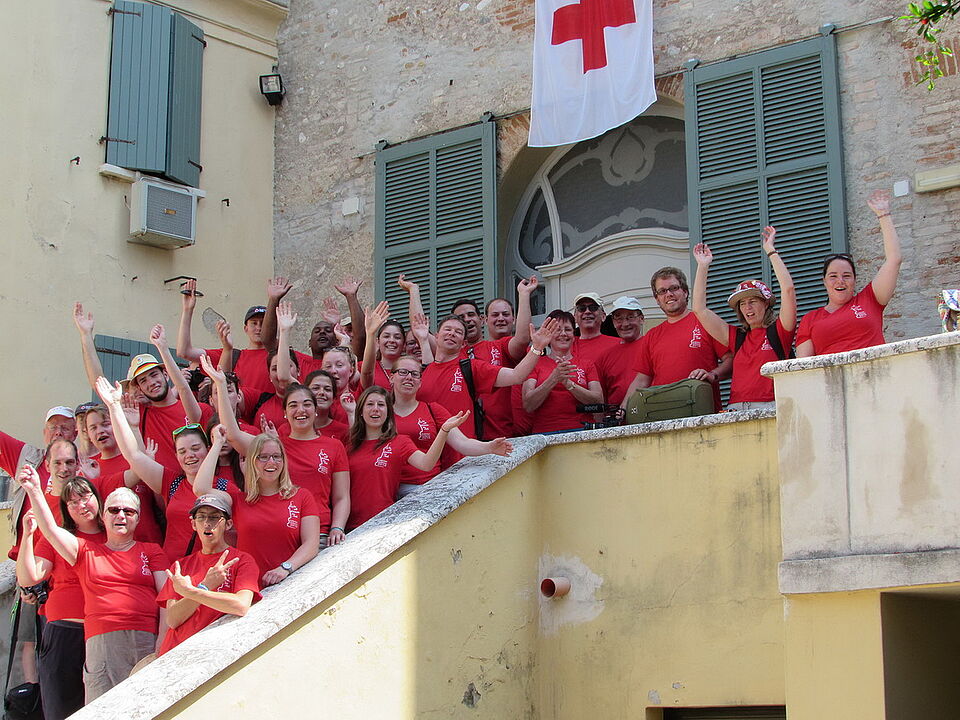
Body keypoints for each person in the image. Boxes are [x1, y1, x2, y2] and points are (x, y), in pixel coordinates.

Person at [18, 469, 168, 702]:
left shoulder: (151, 551)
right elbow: (50, 529)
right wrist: (35, 490)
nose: (121, 515)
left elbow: (167, 597)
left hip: (144, 639)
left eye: (129, 511)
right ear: (104, 516)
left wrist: (162, 641)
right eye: (114, 510)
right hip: (100, 641)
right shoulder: (85, 550)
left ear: (138, 518)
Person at [205, 354, 350, 549]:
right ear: (285, 413)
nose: (301, 410)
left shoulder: (334, 446)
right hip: (277, 532)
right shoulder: (273, 447)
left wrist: (337, 528)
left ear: (315, 410)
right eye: (293, 405)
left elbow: (341, 497)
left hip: (319, 535)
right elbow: (232, 434)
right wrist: (221, 385)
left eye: (307, 404)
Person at [94, 376, 230, 560]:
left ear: (208, 449)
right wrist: (114, 407)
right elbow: (134, 455)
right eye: (182, 451)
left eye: (195, 448)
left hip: (209, 569)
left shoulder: (225, 488)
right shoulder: (172, 483)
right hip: (172, 570)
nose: (189, 455)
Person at [16, 478, 105, 720]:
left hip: (103, 633)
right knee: (61, 708)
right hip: (64, 631)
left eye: (85, 497)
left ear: (97, 498)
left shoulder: (113, 535)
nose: (81, 505)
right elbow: (29, 577)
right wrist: (27, 536)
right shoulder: (56, 538)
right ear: (66, 509)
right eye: (72, 502)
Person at [75, 309, 207, 470]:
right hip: (158, 483)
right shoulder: (139, 412)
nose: (151, 382)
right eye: (143, 380)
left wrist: (163, 347)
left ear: (166, 374)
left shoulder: (198, 409)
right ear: (139, 387)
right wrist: (86, 336)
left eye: (154, 374)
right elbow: (99, 384)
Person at [195, 431, 322, 585]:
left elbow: (311, 544)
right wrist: (217, 444)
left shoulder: (301, 496)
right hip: (249, 587)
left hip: (290, 582)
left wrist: (285, 568)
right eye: (263, 457)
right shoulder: (238, 500)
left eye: (276, 456)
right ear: (252, 461)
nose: (271, 462)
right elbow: (200, 489)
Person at [692, 227, 797, 410]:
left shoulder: (780, 331)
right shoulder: (738, 337)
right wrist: (703, 266)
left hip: (770, 407)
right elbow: (699, 310)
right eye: (742, 303)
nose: (747, 307)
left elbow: (788, 290)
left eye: (752, 301)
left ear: (766, 303)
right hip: (735, 409)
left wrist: (770, 251)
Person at [796, 190, 902, 357]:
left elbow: (894, 259)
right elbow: (803, 365)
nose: (840, 281)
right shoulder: (810, 319)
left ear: (854, 280)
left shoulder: (870, 300)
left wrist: (884, 215)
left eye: (846, 276)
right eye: (833, 276)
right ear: (824, 281)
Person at [346, 386, 469, 530]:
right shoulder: (348, 446)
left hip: (382, 523)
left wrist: (444, 430)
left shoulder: (400, 442)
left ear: (388, 412)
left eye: (381, 405)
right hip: (349, 527)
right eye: (370, 404)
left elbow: (426, 463)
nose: (376, 409)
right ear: (360, 411)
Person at [390, 354, 513, 497]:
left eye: (415, 374)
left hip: (430, 488)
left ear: (420, 382)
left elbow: (462, 442)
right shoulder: (381, 414)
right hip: (393, 491)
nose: (409, 377)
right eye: (403, 372)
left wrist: (489, 447)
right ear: (392, 378)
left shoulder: (432, 410)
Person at [419, 315, 560, 439]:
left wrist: (537, 347)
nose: (452, 334)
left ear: (463, 344)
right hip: (427, 453)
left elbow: (516, 376)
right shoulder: (419, 373)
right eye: (447, 329)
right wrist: (422, 338)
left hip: (461, 455)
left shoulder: (472, 368)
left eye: (458, 332)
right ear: (436, 336)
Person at [156, 492, 261, 655]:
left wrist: (191, 591)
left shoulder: (242, 560)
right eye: (201, 517)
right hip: (175, 653)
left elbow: (240, 605)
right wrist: (205, 586)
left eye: (214, 517)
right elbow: (172, 619)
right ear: (193, 524)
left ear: (228, 524)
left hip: (213, 653)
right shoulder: (181, 566)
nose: (207, 523)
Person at [621, 267, 733, 412]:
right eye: (662, 291)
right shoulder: (652, 335)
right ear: (657, 299)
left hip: (701, 411)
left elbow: (730, 359)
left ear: (685, 292)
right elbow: (642, 380)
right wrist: (623, 409)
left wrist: (712, 375)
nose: (669, 294)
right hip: (662, 413)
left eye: (674, 288)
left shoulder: (704, 322)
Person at [176, 277, 274, 394]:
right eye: (254, 323)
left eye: (263, 323)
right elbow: (184, 352)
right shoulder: (231, 355)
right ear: (245, 328)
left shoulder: (279, 357)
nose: (259, 328)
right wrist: (187, 310)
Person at [522, 310, 604, 433]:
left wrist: (569, 384)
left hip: (582, 431)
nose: (563, 334)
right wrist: (553, 379)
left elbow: (598, 401)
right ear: (548, 335)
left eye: (568, 329)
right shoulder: (535, 363)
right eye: (558, 330)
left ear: (574, 335)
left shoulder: (587, 364)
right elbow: (528, 405)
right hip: (545, 433)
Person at [594, 297, 646, 407]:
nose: (625, 324)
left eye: (630, 317)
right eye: (619, 319)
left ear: (641, 319)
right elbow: (601, 397)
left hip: (649, 414)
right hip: (616, 416)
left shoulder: (652, 346)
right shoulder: (604, 357)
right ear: (613, 322)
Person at [571, 292, 620, 365]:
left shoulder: (619, 344)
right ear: (575, 317)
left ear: (603, 316)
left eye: (593, 308)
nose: (587, 311)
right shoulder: (566, 346)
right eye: (581, 308)